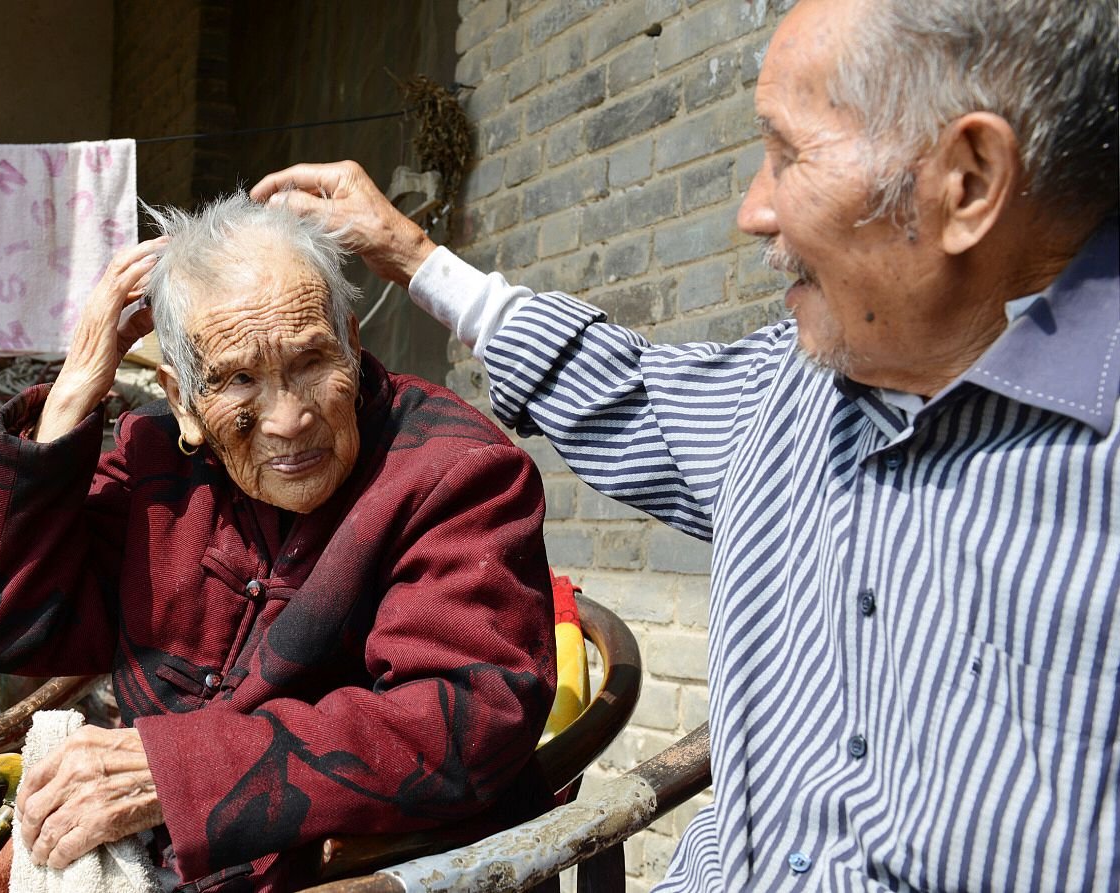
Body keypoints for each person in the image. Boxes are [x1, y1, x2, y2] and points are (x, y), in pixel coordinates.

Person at [248, 0, 1119, 889]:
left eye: (787, 154)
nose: (753, 210)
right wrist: (411, 252)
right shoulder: (797, 386)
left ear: (967, 181)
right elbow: (624, 391)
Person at [0, 192, 557, 892]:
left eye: (312, 361)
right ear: (181, 399)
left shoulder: (454, 471)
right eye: (238, 380)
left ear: (352, 342)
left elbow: (471, 720)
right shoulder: (157, 458)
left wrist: (173, 772)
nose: (289, 419)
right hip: (144, 862)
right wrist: (79, 382)